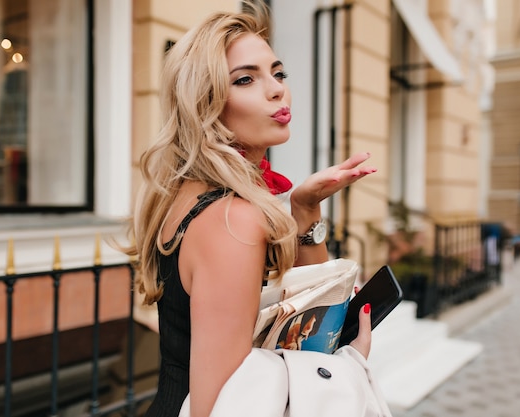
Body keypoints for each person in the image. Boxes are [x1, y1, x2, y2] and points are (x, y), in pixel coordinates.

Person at [126, 2, 378, 416]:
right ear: (205, 103)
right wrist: (346, 365)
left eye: (278, 73)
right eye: (245, 79)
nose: (277, 89)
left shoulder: (191, 194)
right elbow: (220, 407)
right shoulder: (231, 219)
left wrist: (305, 208)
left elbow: (312, 306)